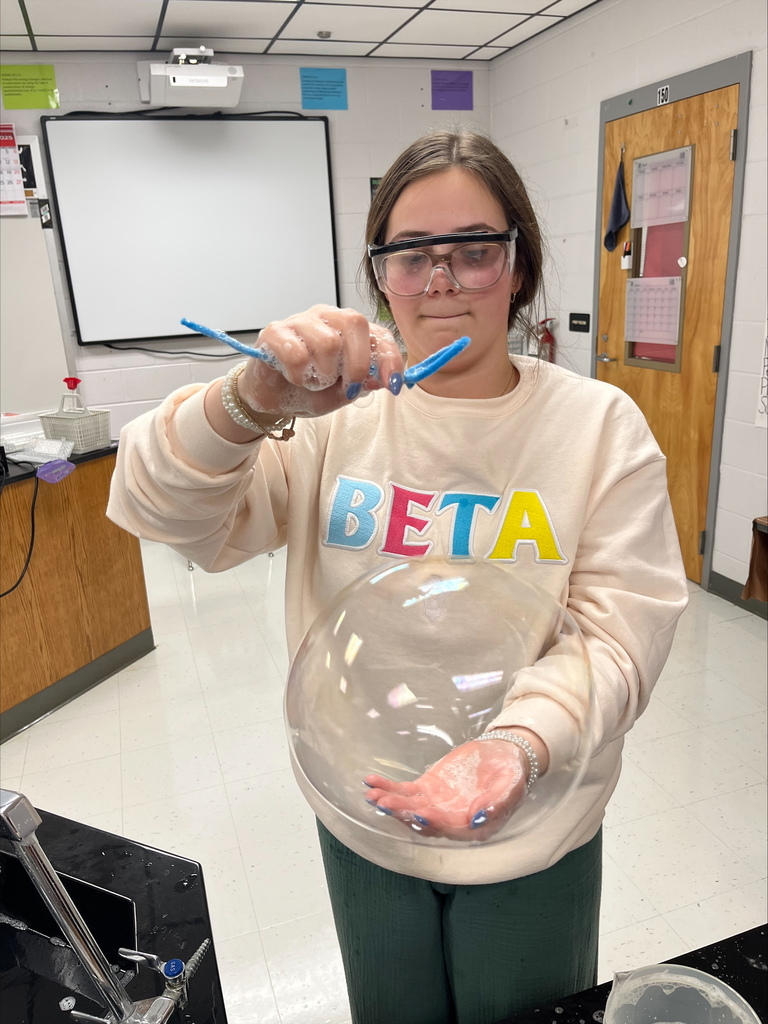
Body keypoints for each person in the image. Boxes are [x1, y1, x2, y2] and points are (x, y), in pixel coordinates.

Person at [108, 129, 688, 1024]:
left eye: (474, 252)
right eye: (412, 255)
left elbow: (623, 631)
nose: (442, 281)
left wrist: (518, 746)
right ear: (380, 273)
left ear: (520, 266)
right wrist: (248, 401)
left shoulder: (597, 426)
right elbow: (164, 509)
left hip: (533, 822)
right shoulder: (335, 422)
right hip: (364, 817)